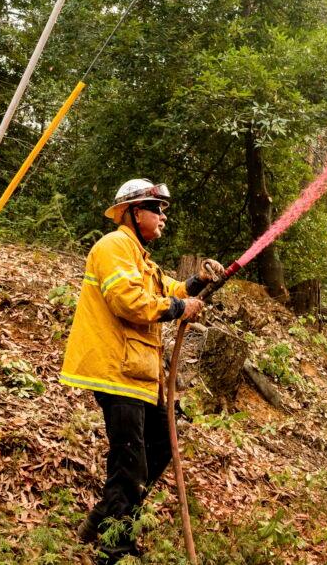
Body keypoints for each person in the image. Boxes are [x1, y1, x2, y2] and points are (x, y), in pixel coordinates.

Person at [60, 179, 225, 561]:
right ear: (135, 212)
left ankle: (104, 515)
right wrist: (179, 309)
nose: (163, 217)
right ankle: (114, 548)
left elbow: (165, 287)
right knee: (129, 460)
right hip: (116, 370)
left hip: (136, 373)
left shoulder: (138, 256)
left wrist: (198, 282)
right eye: (157, 209)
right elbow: (129, 301)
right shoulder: (114, 246)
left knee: (159, 446)